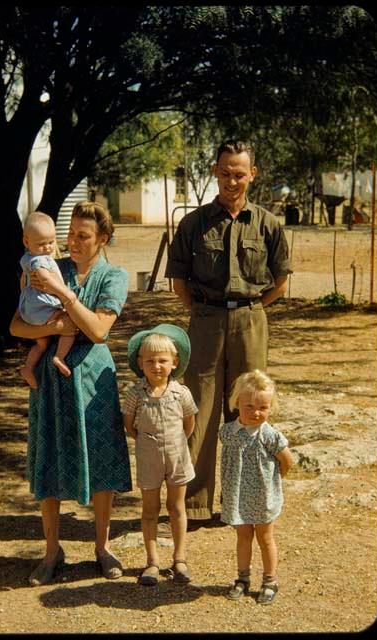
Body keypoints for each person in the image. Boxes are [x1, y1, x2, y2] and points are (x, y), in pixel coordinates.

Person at [164, 139, 293, 524]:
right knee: (200, 411)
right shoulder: (193, 223)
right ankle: (197, 505)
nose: (232, 181)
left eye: (240, 173)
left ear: (252, 175)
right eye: (225, 173)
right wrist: (206, 313)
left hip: (251, 321)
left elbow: (281, 280)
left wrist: (251, 310)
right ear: (215, 172)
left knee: (248, 410)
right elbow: (179, 282)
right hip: (205, 321)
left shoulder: (268, 224)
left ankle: (242, 502)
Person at [10, 200, 132, 585]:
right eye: (71, 235)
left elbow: (98, 331)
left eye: (83, 236)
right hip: (51, 382)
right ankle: (51, 551)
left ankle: (102, 547)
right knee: (49, 458)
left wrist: (66, 301)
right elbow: (16, 326)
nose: (73, 242)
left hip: (94, 382)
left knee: (101, 462)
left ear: (103, 240)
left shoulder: (113, 277)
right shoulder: (45, 266)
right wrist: (58, 325)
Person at [122, 324, 197, 586]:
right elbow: (130, 425)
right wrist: (147, 442)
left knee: (177, 507)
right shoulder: (135, 394)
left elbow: (189, 424)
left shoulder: (182, 393)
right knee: (150, 509)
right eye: (150, 361)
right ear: (141, 363)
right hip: (148, 456)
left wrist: (176, 443)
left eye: (163, 361)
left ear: (174, 362)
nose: (157, 366)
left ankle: (180, 558)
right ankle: (152, 561)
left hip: (177, 455)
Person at [220, 370, 293, 605]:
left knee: (265, 537)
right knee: (243, 537)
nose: (256, 412)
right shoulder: (228, 432)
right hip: (237, 496)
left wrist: (274, 480)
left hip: (263, 497)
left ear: (271, 407)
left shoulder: (270, 436)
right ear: (236, 403)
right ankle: (242, 578)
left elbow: (287, 460)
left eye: (263, 407)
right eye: (249, 406)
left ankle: (270, 581)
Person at [18, 212, 75, 389]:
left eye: (51, 242)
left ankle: (28, 368)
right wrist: (66, 294)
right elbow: (45, 279)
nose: (47, 248)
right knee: (70, 325)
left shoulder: (27, 258)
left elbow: (23, 284)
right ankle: (59, 356)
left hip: (29, 310)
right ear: (26, 242)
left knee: (42, 343)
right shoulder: (39, 261)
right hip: (41, 310)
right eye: (41, 244)